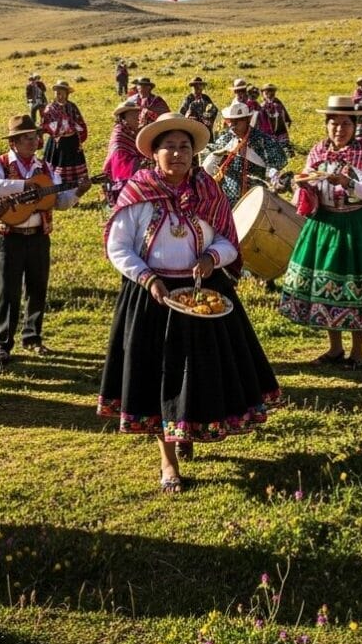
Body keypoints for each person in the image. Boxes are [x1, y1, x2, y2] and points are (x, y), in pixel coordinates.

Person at [98, 113, 281, 493]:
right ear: (154, 153)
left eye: (184, 147)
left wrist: (211, 258)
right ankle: (168, 463)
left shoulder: (209, 192)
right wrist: (148, 278)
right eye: (169, 147)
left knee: (200, 371)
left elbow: (229, 240)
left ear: (194, 153)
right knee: (159, 378)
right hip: (153, 296)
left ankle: (189, 429)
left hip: (204, 297)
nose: (177, 154)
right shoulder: (138, 192)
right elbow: (118, 247)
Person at [279, 96, 362, 369]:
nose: (339, 129)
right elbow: (305, 189)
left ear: (355, 125)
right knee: (328, 287)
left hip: (358, 226)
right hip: (324, 227)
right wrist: (303, 184)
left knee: (357, 287)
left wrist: (347, 182)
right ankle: (335, 348)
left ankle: (357, 351)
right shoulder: (317, 152)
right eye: (334, 123)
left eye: (346, 123)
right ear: (326, 125)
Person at [0, 115, 90, 365]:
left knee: (37, 288)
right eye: (28, 138)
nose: (34, 141)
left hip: (39, 236)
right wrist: (25, 185)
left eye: (35, 137)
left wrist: (77, 192)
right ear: (14, 143)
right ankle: (2, 343)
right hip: (10, 237)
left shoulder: (46, 167)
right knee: (7, 292)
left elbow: (59, 202)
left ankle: (32, 337)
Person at [201, 101, 288, 205]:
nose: (233, 126)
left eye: (237, 122)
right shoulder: (226, 138)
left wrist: (273, 175)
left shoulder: (262, 140)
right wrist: (218, 153)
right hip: (228, 195)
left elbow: (275, 164)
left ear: (248, 120)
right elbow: (209, 163)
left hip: (255, 194)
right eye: (231, 122)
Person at [41, 79, 90, 184]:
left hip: (72, 142)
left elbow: (80, 122)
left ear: (67, 94)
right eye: (58, 93)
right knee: (56, 169)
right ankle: (57, 188)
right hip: (57, 143)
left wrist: (74, 128)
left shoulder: (72, 107)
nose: (60, 96)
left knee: (75, 171)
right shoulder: (50, 108)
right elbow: (44, 124)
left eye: (62, 94)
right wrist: (55, 129)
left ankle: (75, 190)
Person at [103, 99, 145, 206]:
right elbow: (119, 159)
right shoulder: (120, 134)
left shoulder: (131, 132)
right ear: (124, 117)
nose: (138, 119)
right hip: (122, 178)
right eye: (133, 116)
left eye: (138, 115)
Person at [256, 84, 292, 148]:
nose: (269, 94)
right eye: (267, 92)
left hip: (279, 126)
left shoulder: (278, 103)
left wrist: (287, 119)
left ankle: (285, 148)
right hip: (268, 127)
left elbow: (284, 110)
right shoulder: (262, 105)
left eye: (271, 92)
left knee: (284, 143)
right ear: (263, 93)